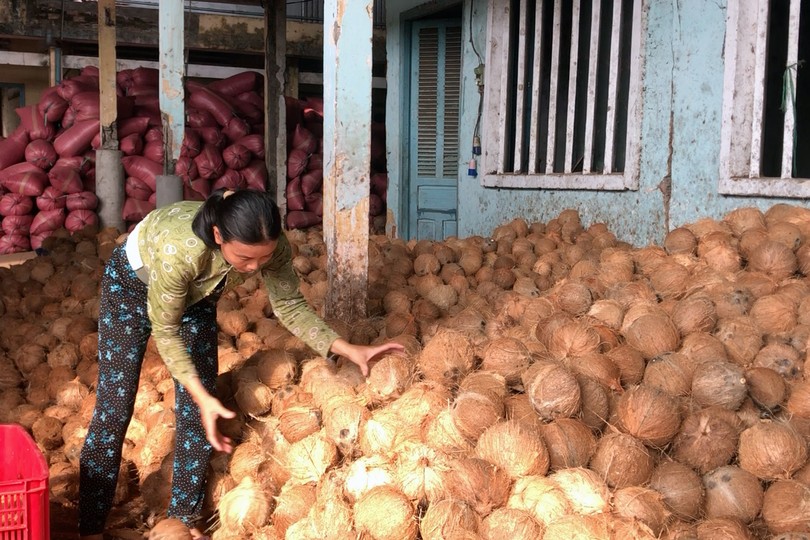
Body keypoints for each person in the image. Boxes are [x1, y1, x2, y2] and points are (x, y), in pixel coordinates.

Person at [79, 188, 404, 539]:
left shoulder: (272, 247)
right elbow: (166, 331)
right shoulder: (182, 249)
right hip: (130, 289)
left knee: (202, 412)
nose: (254, 268)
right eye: (245, 258)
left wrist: (344, 347)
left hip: (197, 298)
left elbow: (290, 305)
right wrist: (200, 395)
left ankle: (182, 524)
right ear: (218, 235)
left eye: (262, 259)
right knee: (115, 406)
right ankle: (90, 527)